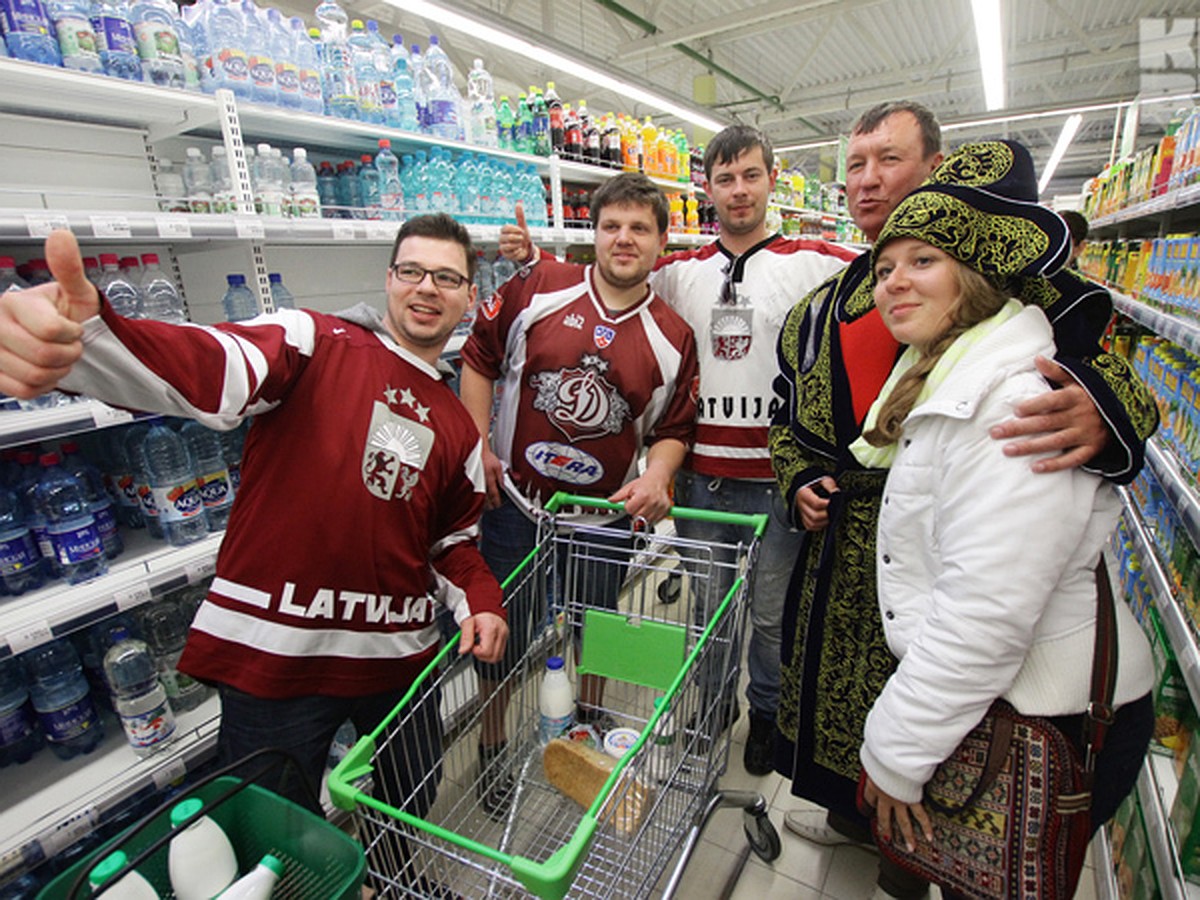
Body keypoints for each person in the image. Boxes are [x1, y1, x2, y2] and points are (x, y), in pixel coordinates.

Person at [0, 216, 509, 822]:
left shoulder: (457, 425)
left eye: (448, 278)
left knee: (411, 803)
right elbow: (207, 365)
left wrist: (480, 596)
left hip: (400, 657)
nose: (428, 287)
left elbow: (451, 541)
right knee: (274, 828)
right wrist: (91, 336)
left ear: (470, 298)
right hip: (278, 657)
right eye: (413, 271)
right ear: (389, 279)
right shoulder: (312, 341)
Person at [770, 104, 1158, 899]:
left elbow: (1120, 381)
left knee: (955, 771)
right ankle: (869, 824)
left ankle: (907, 851)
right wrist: (796, 479)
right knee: (859, 739)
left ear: (938, 170)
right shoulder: (819, 307)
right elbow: (791, 422)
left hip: (955, 584)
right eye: (855, 164)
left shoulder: (1027, 298)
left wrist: (1096, 405)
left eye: (890, 159)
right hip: (850, 568)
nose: (869, 178)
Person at [499, 125, 856, 775]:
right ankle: (714, 702)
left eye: (751, 175)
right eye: (725, 178)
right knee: (712, 609)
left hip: (777, 479)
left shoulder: (818, 261)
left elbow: (895, 269)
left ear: (772, 179)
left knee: (771, 615)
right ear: (707, 188)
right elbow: (609, 275)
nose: (739, 190)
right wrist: (532, 268)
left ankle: (767, 713)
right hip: (699, 481)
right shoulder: (676, 272)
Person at [459, 172, 699, 815]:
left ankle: (584, 733)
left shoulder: (674, 337)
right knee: (502, 638)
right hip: (517, 506)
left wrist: (657, 474)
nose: (624, 239)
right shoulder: (538, 287)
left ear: (661, 241)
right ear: (593, 235)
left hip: (603, 519)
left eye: (639, 228)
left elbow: (675, 428)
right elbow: (478, 358)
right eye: (611, 226)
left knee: (596, 628)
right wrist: (477, 442)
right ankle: (491, 743)